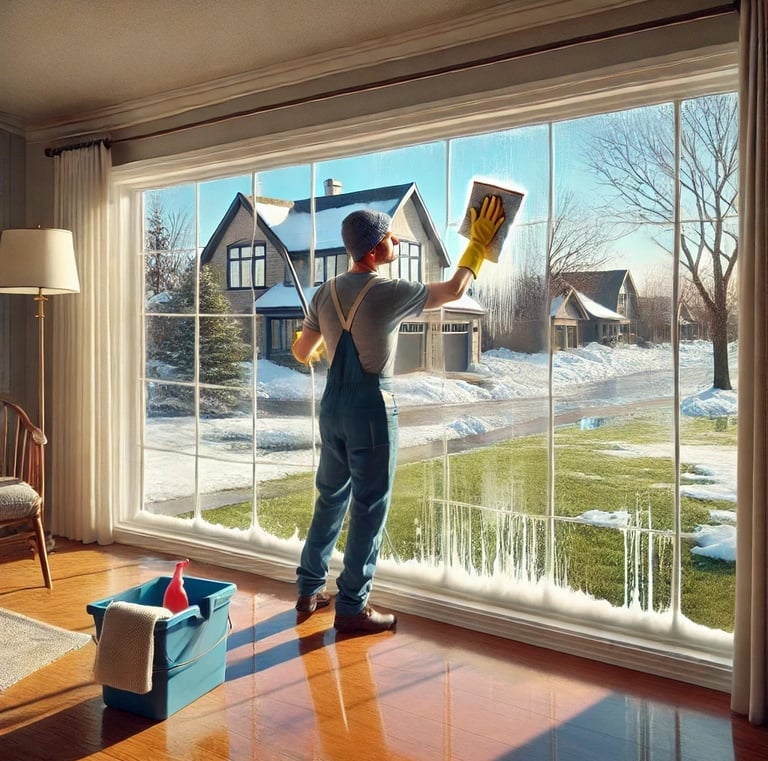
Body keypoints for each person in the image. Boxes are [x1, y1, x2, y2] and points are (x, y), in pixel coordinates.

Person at [292, 195, 505, 634]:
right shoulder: (389, 292)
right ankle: (351, 607)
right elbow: (454, 290)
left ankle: (309, 590)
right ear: (373, 250)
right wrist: (478, 244)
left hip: (331, 408)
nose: (396, 239)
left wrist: (319, 338)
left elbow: (301, 350)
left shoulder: (323, 292)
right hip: (371, 408)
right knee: (369, 506)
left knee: (330, 497)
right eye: (390, 235)